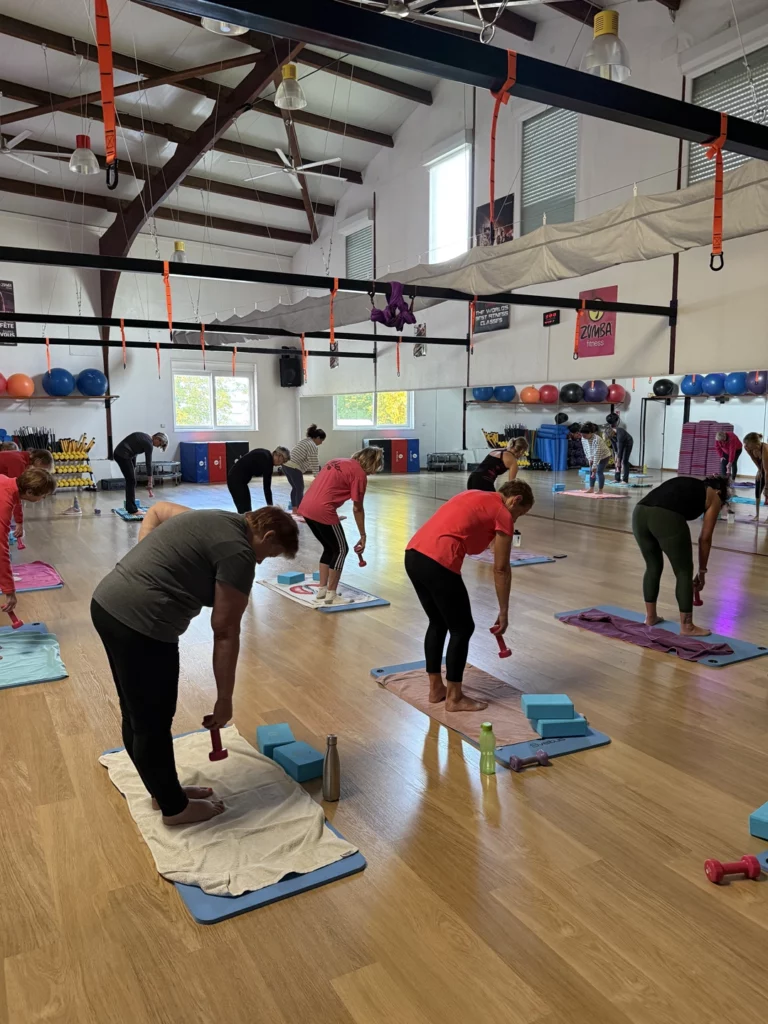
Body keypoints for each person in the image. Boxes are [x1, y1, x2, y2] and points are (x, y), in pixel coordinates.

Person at [91, 502, 299, 826]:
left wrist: (147, 564)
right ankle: (174, 809)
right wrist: (224, 700)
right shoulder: (239, 553)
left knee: (136, 712)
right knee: (152, 721)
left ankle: (163, 791)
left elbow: (158, 510)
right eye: (268, 554)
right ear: (268, 535)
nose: (260, 561)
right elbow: (225, 632)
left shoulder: (218, 518)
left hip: (108, 603)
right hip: (142, 623)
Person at [404, 480, 534, 712]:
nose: (515, 520)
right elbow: (501, 569)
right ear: (516, 500)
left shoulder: (475, 495)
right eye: (520, 514)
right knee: (462, 628)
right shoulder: (503, 513)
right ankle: (454, 698)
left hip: (414, 554)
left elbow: (470, 534)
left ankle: (436, 689)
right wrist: (504, 611)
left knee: (438, 622)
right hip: (438, 561)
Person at [632, 475, 728, 637]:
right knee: (684, 571)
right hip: (664, 516)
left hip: (639, 513)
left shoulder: (692, 485)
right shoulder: (715, 496)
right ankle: (687, 626)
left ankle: (650, 617)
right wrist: (702, 572)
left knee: (653, 566)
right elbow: (705, 538)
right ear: (719, 491)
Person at [296, 446, 383, 606]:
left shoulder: (336, 461)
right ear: (371, 462)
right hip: (323, 510)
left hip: (306, 507)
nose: (374, 472)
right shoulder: (359, 474)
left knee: (329, 548)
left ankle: (322, 590)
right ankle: (331, 594)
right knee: (341, 549)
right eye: (376, 467)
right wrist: (363, 535)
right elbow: (357, 508)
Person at [1, 467, 57, 614]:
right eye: (43, 496)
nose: (42, 499)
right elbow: (1, 550)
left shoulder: (7, 482)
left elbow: (16, 500)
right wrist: (9, 591)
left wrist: (19, 521)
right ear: (30, 492)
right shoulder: (3, 504)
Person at [113, 431, 168, 515]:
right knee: (131, 481)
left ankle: (130, 506)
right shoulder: (149, 443)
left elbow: (134, 450)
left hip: (120, 453)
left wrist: (133, 466)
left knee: (131, 480)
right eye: (159, 444)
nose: (157, 446)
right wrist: (150, 481)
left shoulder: (144, 437)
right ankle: (132, 510)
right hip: (123, 455)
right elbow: (148, 463)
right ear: (158, 439)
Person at [227, 446, 290, 514]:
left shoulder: (266, 454)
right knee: (245, 510)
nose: (281, 464)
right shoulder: (267, 461)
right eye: (283, 461)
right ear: (279, 456)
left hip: (237, 480)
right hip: (236, 481)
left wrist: (270, 506)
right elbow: (267, 488)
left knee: (246, 510)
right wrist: (271, 507)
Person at [282, 425, 326, 511]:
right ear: (317, 438)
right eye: (321, 440)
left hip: (285, 465)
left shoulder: (305, 441)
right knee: (299, 488)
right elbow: (314, 461)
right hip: (293, 467)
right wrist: (317, 476)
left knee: (295, 488)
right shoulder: (312, 445)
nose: (321, 443)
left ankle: (294, 508)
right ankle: (300, 509)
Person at [580, 424, 612, 493]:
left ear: (590, 433)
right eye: (582, 435)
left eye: (585, 435)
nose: (583, 437)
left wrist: (594, 465)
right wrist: (589, 459)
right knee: (591, 471)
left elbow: (597, 453)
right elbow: (586, 449)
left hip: (603, 456)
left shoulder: (596, 439)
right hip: (593, 455)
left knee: (599, 471)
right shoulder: (583, 438)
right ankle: (591, 488)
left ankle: (600, 490)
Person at [743, 432, 768, 517]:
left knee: (767, 493)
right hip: (762, 468)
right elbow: (754, 459)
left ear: (754, 443)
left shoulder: (764, 448)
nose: (745, 445)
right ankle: (757, 515)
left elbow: (767, 471)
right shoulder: (747, 448)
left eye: (747, 444)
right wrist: (759, 470)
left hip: (767, 469)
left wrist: (766, 487)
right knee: (758, 490)